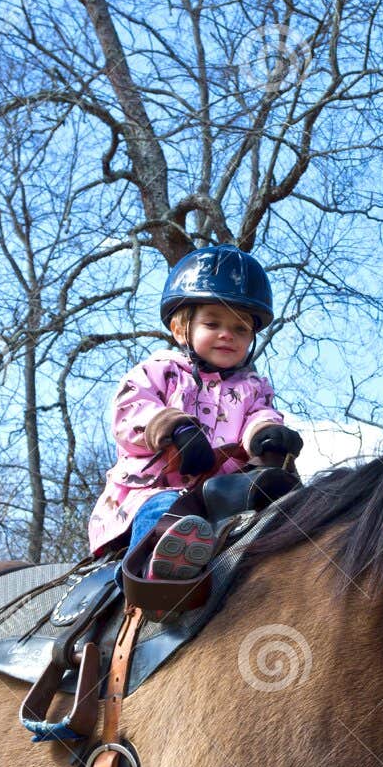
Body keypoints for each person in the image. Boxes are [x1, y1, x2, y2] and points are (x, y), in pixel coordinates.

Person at [88, 245, 304, 579]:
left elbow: (260, 415)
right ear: (180, 329)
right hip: (153, 489)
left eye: (240, 329)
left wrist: (267, 436)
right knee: (166, 511)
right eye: (212, 323)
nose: (226, 335)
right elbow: (131, 411)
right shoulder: (161, 371)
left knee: (285, 518)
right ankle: (148, 573)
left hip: (223, 498)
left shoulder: (253, 387)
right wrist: (174, 429)